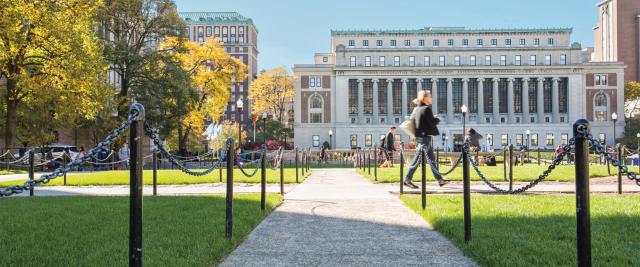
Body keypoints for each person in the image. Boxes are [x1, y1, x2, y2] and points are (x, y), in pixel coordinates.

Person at [404, 90, 450, 189]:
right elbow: (431, 123)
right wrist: (437, 119)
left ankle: (440, 180)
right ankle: (407, 179)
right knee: (417, 159)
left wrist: (431, 118)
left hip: (420, 137)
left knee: (432, 159)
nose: (431, 98)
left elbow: (420, 122)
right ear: (424, 98)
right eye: (430, 96)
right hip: (424, 138)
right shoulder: (426, 109)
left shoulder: (417, 109)